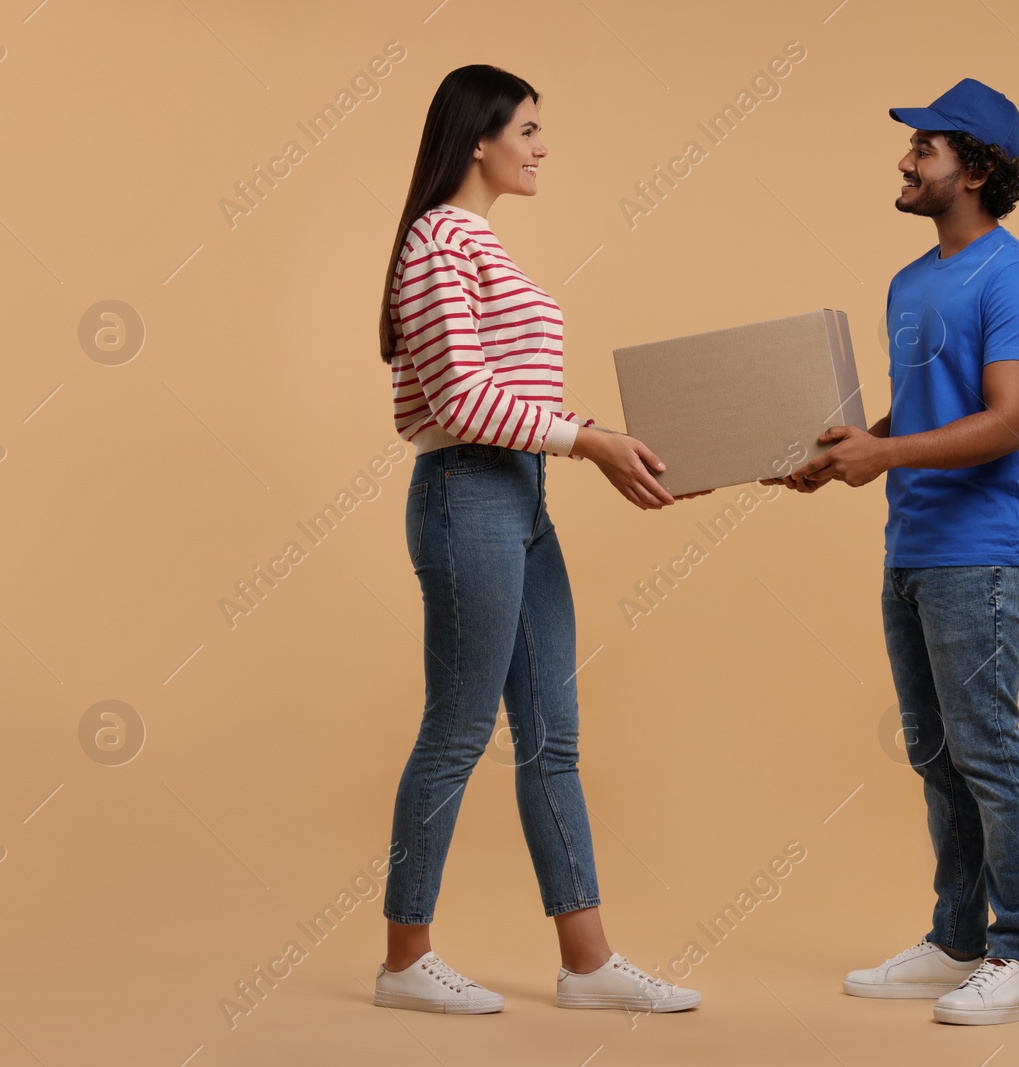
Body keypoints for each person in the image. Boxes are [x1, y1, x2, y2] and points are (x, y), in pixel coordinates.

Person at [373, 64, 705, 1016]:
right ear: (477, 138)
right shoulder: (440, 239)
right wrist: (589, 440)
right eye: (526, 128)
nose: (540, 145)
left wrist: (592, 435)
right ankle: (404, 959)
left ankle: (588, 962)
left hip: (517, 495)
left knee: (551, 739)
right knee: (459, 728)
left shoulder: (476, 242)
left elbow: (508, 396)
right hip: (465, 494)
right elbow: (460, 400)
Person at [765, 77, 1019, 1026]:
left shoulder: (1015, 277)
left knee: (987, 751)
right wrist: (841, 454)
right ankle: (958, 939)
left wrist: (881, 454)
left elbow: (1007, 423)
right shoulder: (910, 281)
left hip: (985, 551)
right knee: (935, 753)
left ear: (973, 170)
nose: (904, 160)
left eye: (924, 148)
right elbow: (929, 415)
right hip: (915, 546)